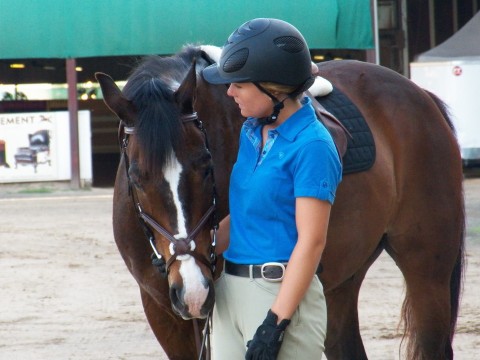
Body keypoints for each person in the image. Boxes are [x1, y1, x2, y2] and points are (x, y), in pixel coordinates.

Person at [202, 18, 342, 360]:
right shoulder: (252, 131)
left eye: (239, 85)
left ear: (273, 88)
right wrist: (195, 249)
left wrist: (276, 322)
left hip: (278, 295)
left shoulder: (312, 145)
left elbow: (312, 241)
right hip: (229, 291)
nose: (229, 92)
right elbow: (247, 215)